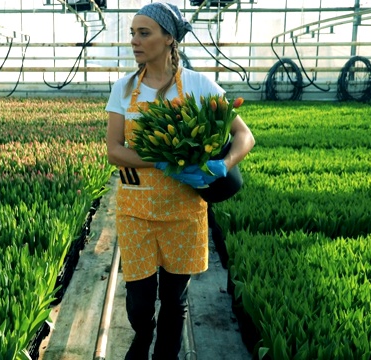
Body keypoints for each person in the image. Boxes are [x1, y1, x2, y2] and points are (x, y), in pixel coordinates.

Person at [104, 2, 255, 359]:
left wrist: (223, 165)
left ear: (169, 38)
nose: (135, 41)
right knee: (140, 303)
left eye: (144, 33)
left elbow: (244, 135)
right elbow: (114, 150)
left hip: (184, 208)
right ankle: (143, 336)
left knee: (175, 298)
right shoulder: (124, 89)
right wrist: (163, 160)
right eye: (132, 33)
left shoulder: (200, 85)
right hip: (136, 208)